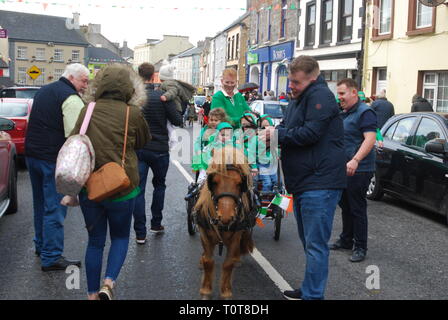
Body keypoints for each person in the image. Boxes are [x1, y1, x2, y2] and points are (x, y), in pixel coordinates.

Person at [261, 56, 346, 300]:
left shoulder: (319, 96)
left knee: (316, 246)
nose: (291, 86)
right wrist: (275, 134)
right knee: (310, 244)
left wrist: (278, 134)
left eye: (296, 82)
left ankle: (313, 295)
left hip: (320, 183)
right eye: (290, 81)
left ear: (313, 78)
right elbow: (289, 128)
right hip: (306, 182)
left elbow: (310, 133)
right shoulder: (301, 98)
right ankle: (309, 289)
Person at [71, 64, 151, 300]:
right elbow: (143, 141)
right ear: (128, 87)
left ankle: (92, 294)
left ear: (100, 85)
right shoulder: (132, 113)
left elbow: (75, 139)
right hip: (122, 186)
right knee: (120, 237)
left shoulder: (88, 109)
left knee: (95, 242)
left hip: (91, 187)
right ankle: (109, 283)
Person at [25, 63, 89, 272]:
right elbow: (75, 134)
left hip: (33, 155)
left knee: (40, 204)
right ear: (72, 78)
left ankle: (41, 246)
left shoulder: (44, 90)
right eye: (83, 81)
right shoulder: (70, 98)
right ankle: (51, 256)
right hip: (53, 160)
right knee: (55, 208)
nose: (85, 86)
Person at [134, 63, 183, 244]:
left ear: (139, 76)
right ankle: (156, 223)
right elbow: (177, 120)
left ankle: (140, 233)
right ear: (154, 76)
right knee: (159, 186)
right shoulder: (161, 97)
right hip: (160, 149)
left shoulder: (134, 98)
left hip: (139, 148)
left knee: (138, 190)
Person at [330, 78, 377, 264]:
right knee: (346, 205)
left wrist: (356, 160)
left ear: (354, 93)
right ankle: (346, 239)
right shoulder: (345, 112)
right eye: (338, 93)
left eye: (342, 93)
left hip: (359, 168)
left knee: (357, 208)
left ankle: (360, 246)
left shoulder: (365, 112)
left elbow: (370, 139)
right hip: (344, 167)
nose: (339, 97)